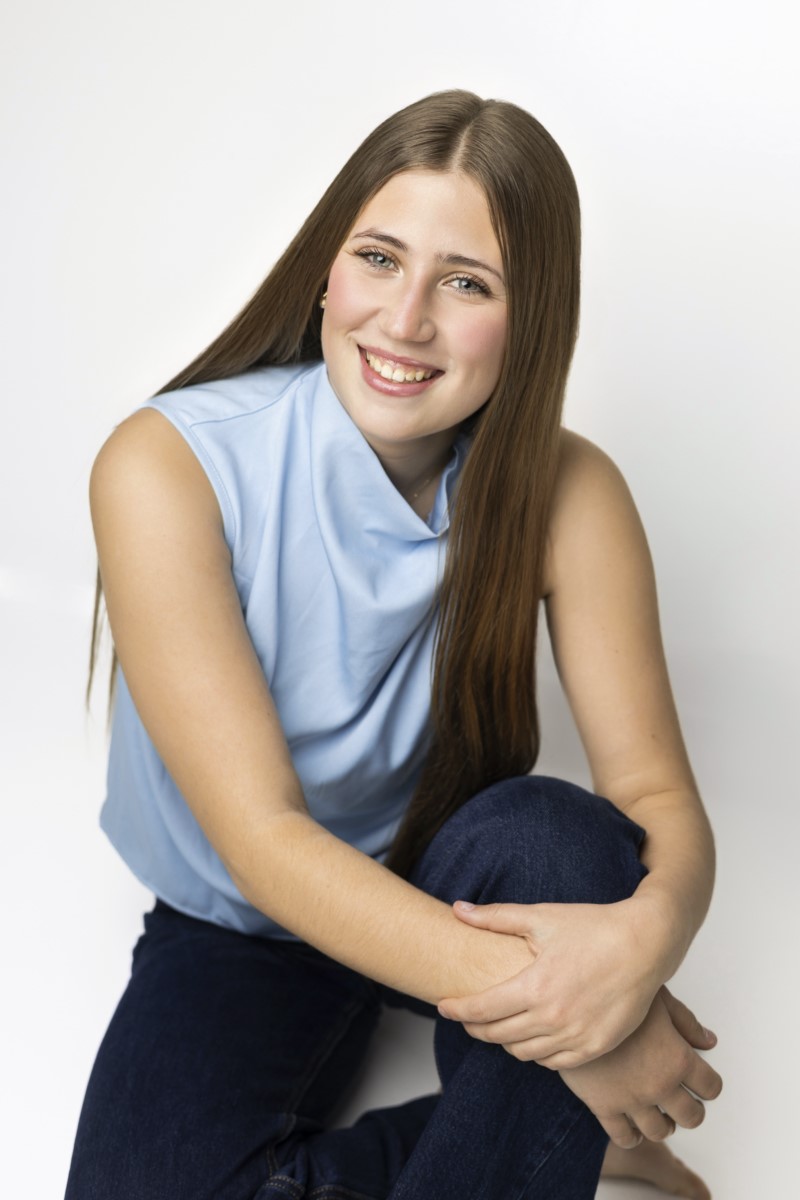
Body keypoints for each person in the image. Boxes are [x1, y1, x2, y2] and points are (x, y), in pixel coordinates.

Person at [66, 90, 721, 1200]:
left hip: (440, 882)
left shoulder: (571, 493)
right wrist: (577, 1025)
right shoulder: (166, 466)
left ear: (530, 318)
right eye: (379, 259)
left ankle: (537, 1118)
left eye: (467, 283)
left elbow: (655, 797)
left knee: (562, 842)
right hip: (245, 916)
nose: (405, 319)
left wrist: (638, 952)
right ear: (327, 271)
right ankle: (561, 1127)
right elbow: (264, 839)